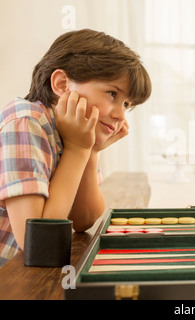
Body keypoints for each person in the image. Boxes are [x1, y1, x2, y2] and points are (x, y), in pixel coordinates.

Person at [0, 29, 152, 267]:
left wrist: (90, 151)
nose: (120, 114)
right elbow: (39, 244)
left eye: (126, 104)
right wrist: (78, 148)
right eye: (112, 93)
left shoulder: (72, 132)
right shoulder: (25, 121)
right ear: (62, 84)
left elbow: (83, 220)